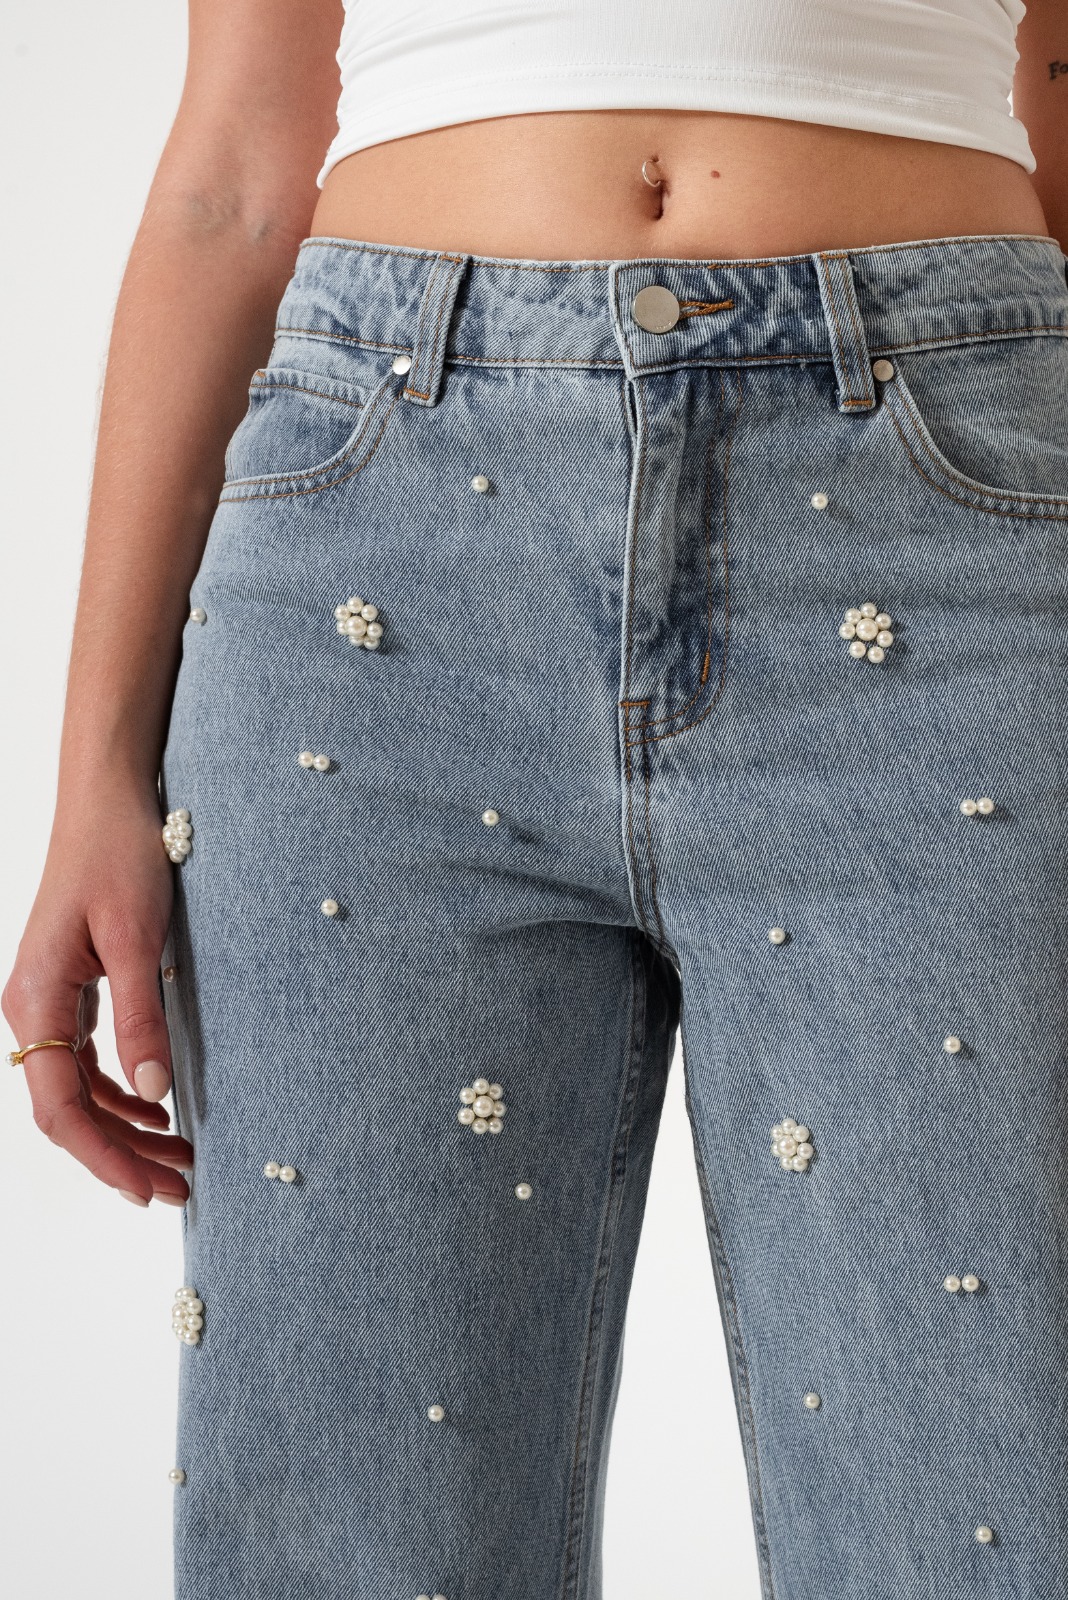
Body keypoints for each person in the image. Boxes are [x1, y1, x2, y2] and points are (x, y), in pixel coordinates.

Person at [5, 0, 1068, 1593]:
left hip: (944, 513)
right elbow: (231, 172)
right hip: (380, 564)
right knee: (359, 1535)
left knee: (992, 1499)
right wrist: (93, 768)